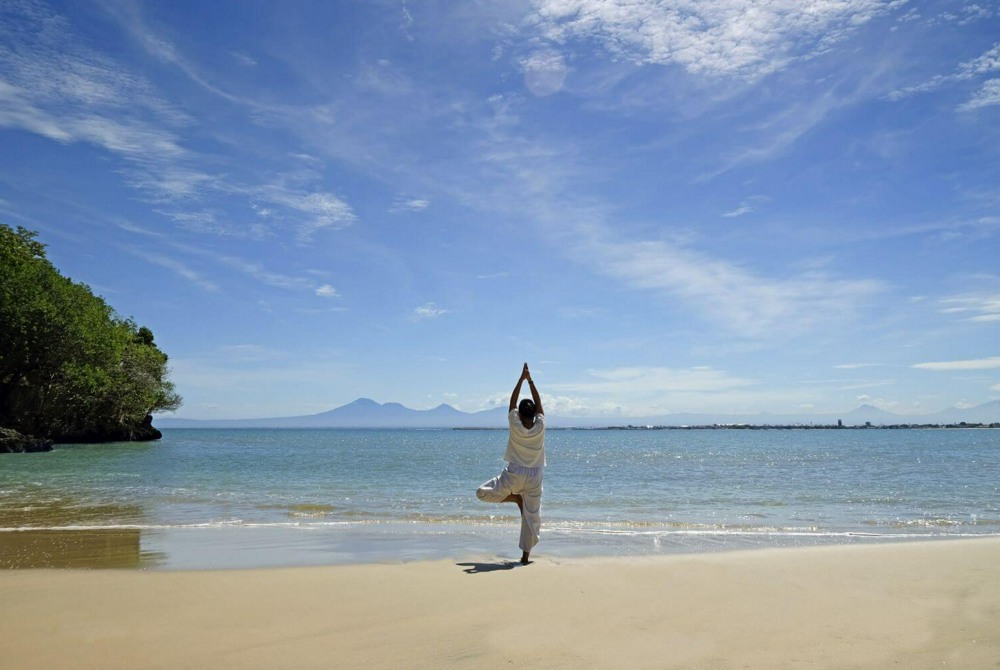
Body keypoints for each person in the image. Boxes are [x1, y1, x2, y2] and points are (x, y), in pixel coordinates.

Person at [476, 363, 545, 565]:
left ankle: (514, 498)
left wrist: (521, 379)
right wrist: (530, 380)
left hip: (514, 474)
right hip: (534, 477)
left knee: (481, 492)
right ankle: (525, 557)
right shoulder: (540, 426)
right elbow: (539, 403)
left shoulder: (515, 424)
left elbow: (512, 403)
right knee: (531, 519)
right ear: (533, 415)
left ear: (520, 416)